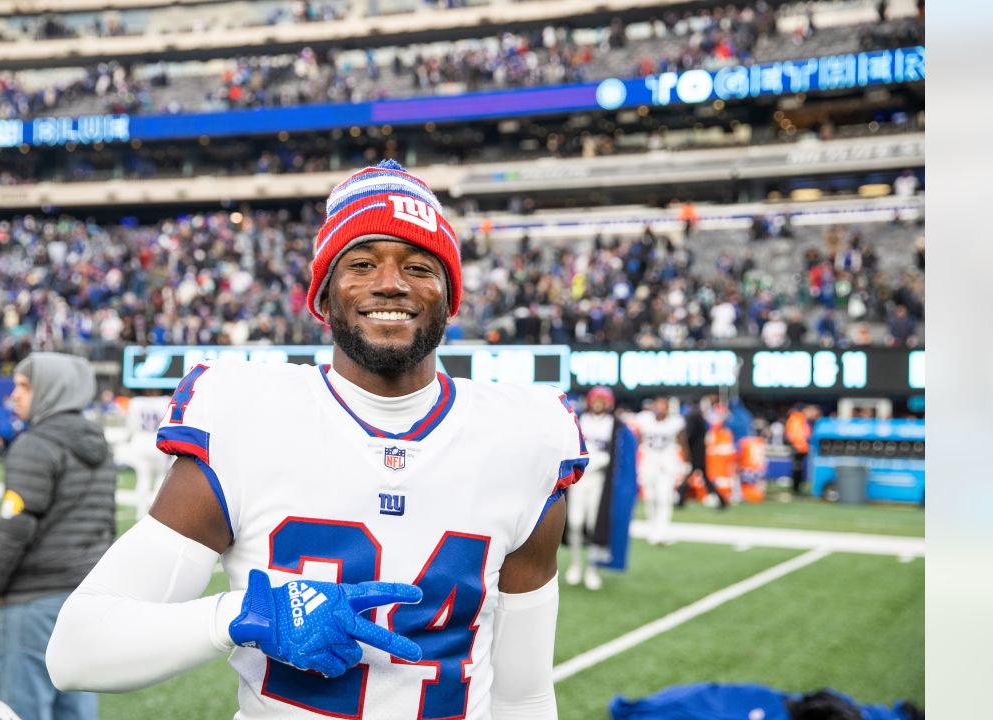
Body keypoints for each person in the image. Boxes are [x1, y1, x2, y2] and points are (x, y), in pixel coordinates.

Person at [46, 159, 589, 718]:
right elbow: (78, 650)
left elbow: (523, 694)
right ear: (323, 298)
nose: (391, 282)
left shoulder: (523, 439)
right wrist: (242, 616)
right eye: (361, 262)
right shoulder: (248, 417)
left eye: (420, 266)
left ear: (449, 298)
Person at [0, 352, 117, 720]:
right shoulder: (101, 444)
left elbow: (15, 529)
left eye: (24, 386)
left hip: (32, 599)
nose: (14, 395)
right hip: (83, 598)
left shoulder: (34, 445)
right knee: (76, 709)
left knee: (19, 709)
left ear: (51, 389)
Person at [565, 386, 617, 590]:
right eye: (596, 399)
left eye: (602, 400)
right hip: (580, 478)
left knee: (596, 524)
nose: (598, 403)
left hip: (599, 480)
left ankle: (592, 568)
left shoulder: (614, 424)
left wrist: (602, 462)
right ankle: (576, 564)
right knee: (575, 522)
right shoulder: (579, 419)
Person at [634, 397, 689, 546]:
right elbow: (637, 438)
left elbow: (683, 441)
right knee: (650, 498)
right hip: (648, 463)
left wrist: (686, 463)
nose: (660, 408)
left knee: (664, 498)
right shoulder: (644, 419)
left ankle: (662, 532)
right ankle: (652, 528)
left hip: (667, 464)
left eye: (663, 406)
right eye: (658, 405)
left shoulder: (675, 422)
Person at [679, 396, 728, 510]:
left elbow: (690, 436)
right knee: (698, 476)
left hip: (695, 452)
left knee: (695, 476)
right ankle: (680, 499)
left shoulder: (693, 416)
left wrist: (686, 450)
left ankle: (680, 499)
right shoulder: (699, 416)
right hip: (700, 451)